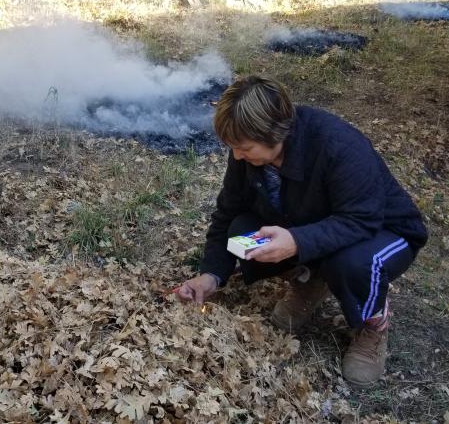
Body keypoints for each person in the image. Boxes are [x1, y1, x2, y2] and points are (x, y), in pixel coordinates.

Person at [175, 75, 428, 387]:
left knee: (351, 263)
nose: (237, 156)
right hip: (318, 219)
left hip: (386, 231)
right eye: (233, 148)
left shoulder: (339, 146)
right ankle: (310, 281)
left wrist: (296, 241)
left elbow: (362, 220)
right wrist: (211, 274)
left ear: (275, 133)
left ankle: (371, 326)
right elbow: (227, 211)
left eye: (244, 148)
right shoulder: (246, 149)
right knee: (242, 230)